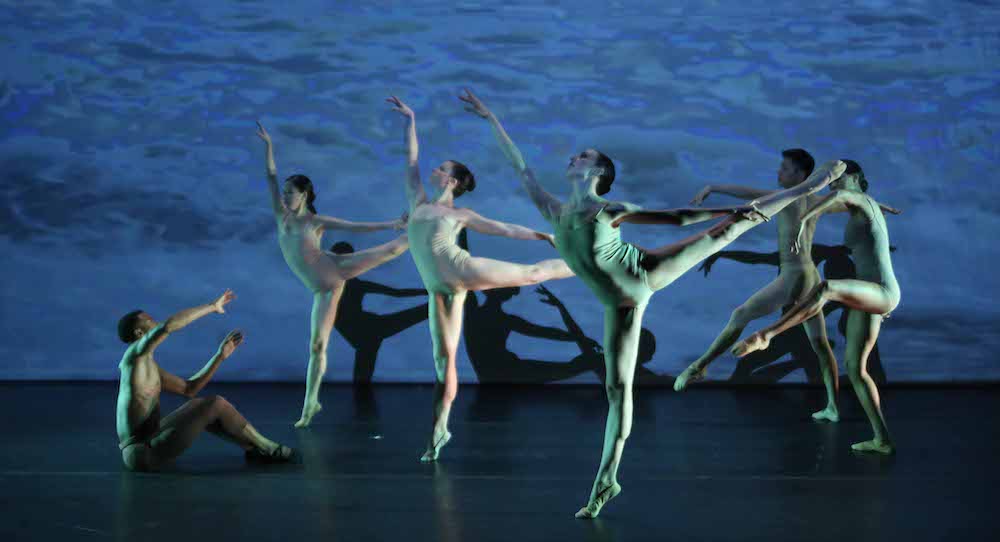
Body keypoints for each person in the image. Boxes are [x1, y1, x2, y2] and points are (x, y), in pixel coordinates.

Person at [462, 88, 844, 518]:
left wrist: (728, 213)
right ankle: (608, 479)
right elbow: (521, 168)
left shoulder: (609, 209)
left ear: (598, 172)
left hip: (646, 272)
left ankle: (811, 187)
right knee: (615, 388)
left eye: (583, 156)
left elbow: (677, 217)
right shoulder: (554, 209)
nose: (574, 158)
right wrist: (491, 117)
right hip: (620, 303)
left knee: (725, 233)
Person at [386, 96, 574, 462]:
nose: (434, 171)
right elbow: (410, 159)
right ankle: (441, 427)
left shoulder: (461, 213)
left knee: (532, 273)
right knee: (445, 361)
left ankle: (585, 262)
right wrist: (410, 118)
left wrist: (544, 236)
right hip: (439, 290)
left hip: (461, 268)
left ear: (453, 180)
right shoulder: (419, 202)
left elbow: (503, 229)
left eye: (441, 169)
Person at [674, 150, 900, 423]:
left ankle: (700, 366)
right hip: (809, 276)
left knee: (741, 315)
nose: (778, 173)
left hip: (794, 276)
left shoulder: (791, 199)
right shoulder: (815, 198)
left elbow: (749, 193)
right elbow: (850, 202)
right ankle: (832, 406)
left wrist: (713, 188)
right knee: (819, 345)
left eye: (784, 168)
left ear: (800, 175)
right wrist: (880, 206)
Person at [734, 160, 900, 455]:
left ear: (856, 177)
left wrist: (801, 225)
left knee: (826, 287)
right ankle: (882, 439)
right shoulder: (864, 203)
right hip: (869, 294)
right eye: (829, 177)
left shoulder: (857, 198)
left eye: (837, 176)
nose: (832, 181)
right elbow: (844, 200)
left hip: (881, 292)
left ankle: (766, 335)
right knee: (856, 368)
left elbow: (840, 197)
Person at [255, 122, 409, 427]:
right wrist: (269, 145)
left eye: (290, 193)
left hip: (335, 268)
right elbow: (270, 176)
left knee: (389, 250)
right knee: (317, 346)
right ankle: (311, 404)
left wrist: (391, 224)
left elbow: (355, 226)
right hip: (323, 290)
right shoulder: (280, 215)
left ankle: (420, 229)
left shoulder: (316, 221)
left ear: (304, 195)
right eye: (284, 193)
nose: (285, 197)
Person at [116, 290, 295, 471]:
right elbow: (168, 326)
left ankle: (253, 448)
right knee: (214, 403)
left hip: (151, 439)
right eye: (149, 320)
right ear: (139, 333)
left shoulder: (149, 366)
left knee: (204, 405)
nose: (155, 321)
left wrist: (220, 357)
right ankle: (267, 447)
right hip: (141, 452)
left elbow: (189, 389)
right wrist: (212, 307)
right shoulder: (133, 358)